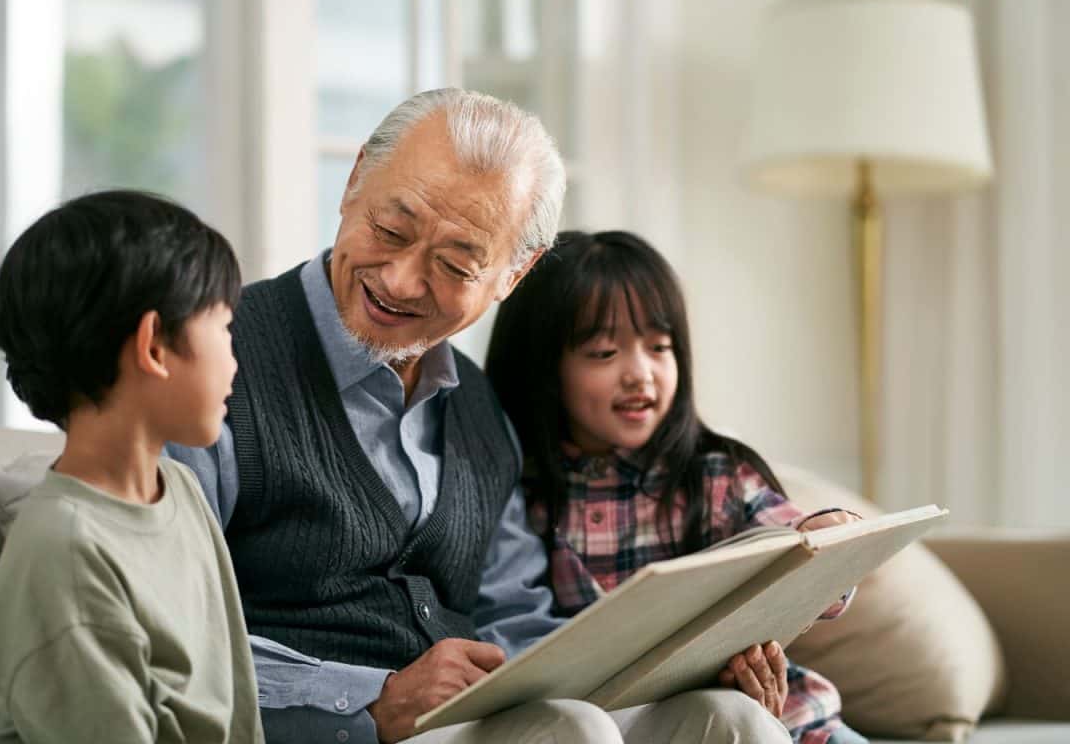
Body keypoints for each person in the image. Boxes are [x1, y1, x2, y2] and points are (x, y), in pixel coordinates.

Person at [168, 88, 793, 744]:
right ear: (354, 181)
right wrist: (369, 700)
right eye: (390, 230)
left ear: (513, 275)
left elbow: (518, 621)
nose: (403, 280)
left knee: (729, 720)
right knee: (570, 734)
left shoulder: (479, 407)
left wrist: (679, 666)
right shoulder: (217, 362)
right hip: (319, 729)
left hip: (469, 721)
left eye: (456, 264)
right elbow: (172, 634)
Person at [484, 230, 867, 744]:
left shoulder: (713, 474)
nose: (640, 374)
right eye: (603, 352)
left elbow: (815, 571)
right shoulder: (518, 497)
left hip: (802, 723)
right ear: (543, 368)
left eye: (659, 347)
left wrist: (827, 539)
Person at [0, 190, 263, 743]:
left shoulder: (178, 487)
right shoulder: (62, 551)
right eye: (223, 328)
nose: (235, 359)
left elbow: (239, 715)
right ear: (154, 346)